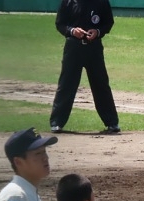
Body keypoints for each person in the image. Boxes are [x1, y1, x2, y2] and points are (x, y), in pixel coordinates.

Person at [50, 0, 121, 135]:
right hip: (73, 48)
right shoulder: (69, 2)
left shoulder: (101, 2)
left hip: (94, 48)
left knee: (100, 84)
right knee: (66, 84)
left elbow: (108, 23)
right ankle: (57, 122)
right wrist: (72, 31)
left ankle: (112, 123)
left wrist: (97, 31)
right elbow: (60, 24)